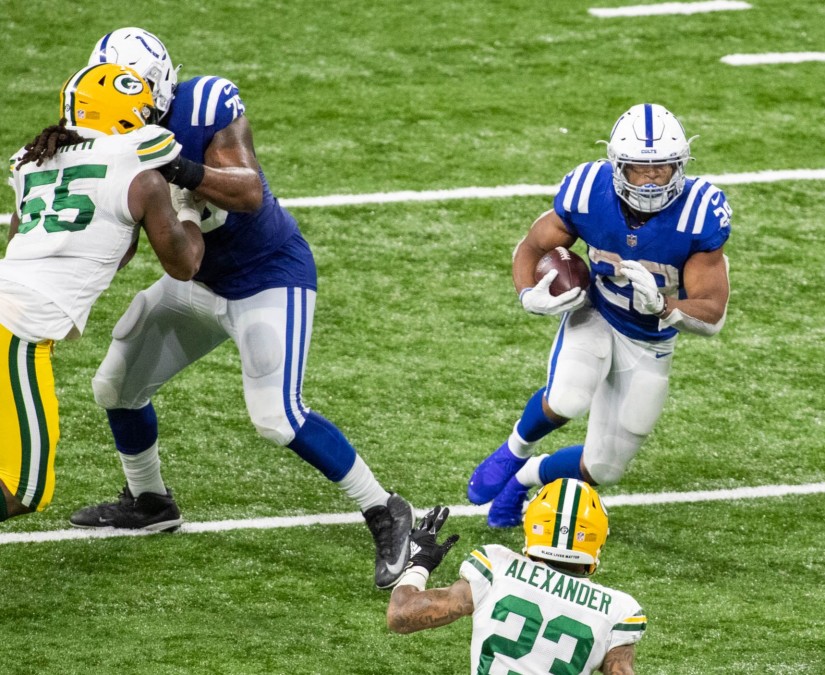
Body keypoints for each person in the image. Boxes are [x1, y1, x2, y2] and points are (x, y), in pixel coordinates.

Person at [66, 28, 413, 590]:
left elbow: (248, 190)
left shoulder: (205, 106)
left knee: (277, 416)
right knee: (115, 386)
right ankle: (150, 500)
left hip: (266, 276)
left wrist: (179, 169)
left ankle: (387, 510)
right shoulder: (105, 135)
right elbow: (150, 249)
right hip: (197, 279)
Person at [465, 103, 731, 527]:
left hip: (650, 339)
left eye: (661, 168)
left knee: (605, 468)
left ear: (680, 166)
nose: (649, 179)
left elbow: (713, 313)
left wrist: (664, 306)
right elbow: (532, 247)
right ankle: (514, 448)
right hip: (598, 313)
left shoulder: (699, 213)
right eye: (637, 168)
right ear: (616, 166)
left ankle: (525, 477)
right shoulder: (589, 190)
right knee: (569, 397)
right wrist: (526, 294)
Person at [2, 64, 204, 522]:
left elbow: (25, 245)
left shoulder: (32, 161)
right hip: (16, 328)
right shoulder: (142, 174)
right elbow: (185, 263)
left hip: (8, 301)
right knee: (23, 488)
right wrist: (187, 207)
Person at [388, 480, 645, 674]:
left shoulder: (498, 567)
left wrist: (419, 563)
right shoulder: (617, 610)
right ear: (597, 538)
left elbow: (401, 616)